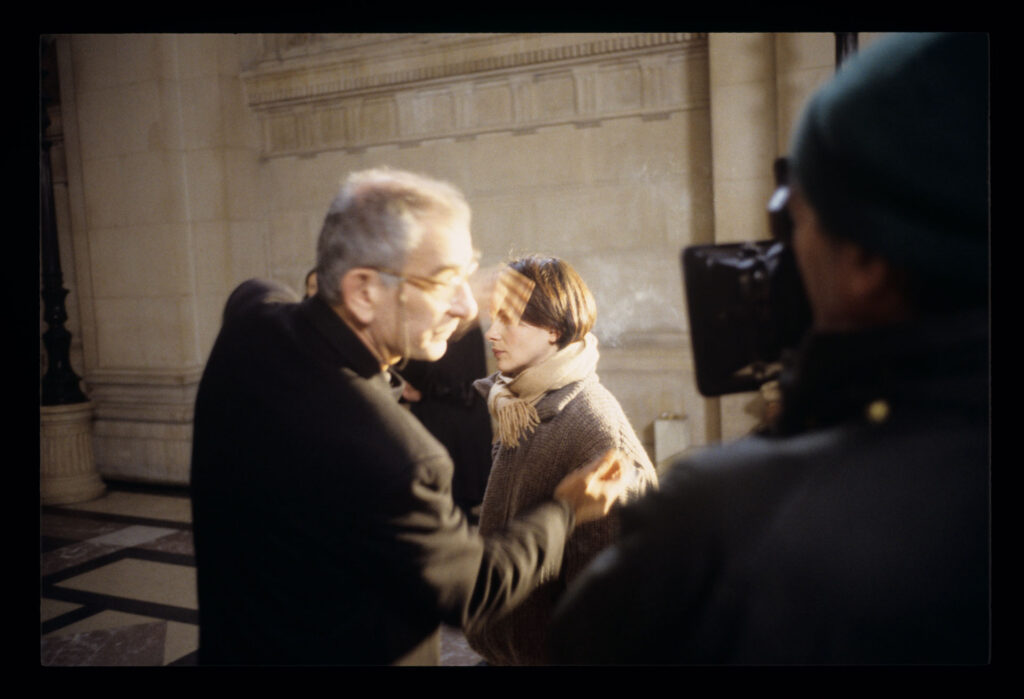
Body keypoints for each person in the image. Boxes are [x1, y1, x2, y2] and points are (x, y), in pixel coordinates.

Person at [548, 32, 989, 665]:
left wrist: (804, 421)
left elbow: (583, 642)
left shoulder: (722, 522)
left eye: (796, 224)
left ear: (866, 259)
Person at [190, 168, 630, 666]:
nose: (468, 307)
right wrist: (566, 509)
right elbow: (474, 588)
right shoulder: (395, 456)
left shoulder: (251, 315)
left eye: (470, 273)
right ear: (362, 293)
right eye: (446, 280)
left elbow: (266, 298)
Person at [464, 255, 659, 665]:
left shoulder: (594, 428)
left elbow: (605, 613)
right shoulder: (519, 403)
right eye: (491, 318)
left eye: (508, 319)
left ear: (554, 328)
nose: (492, 333)